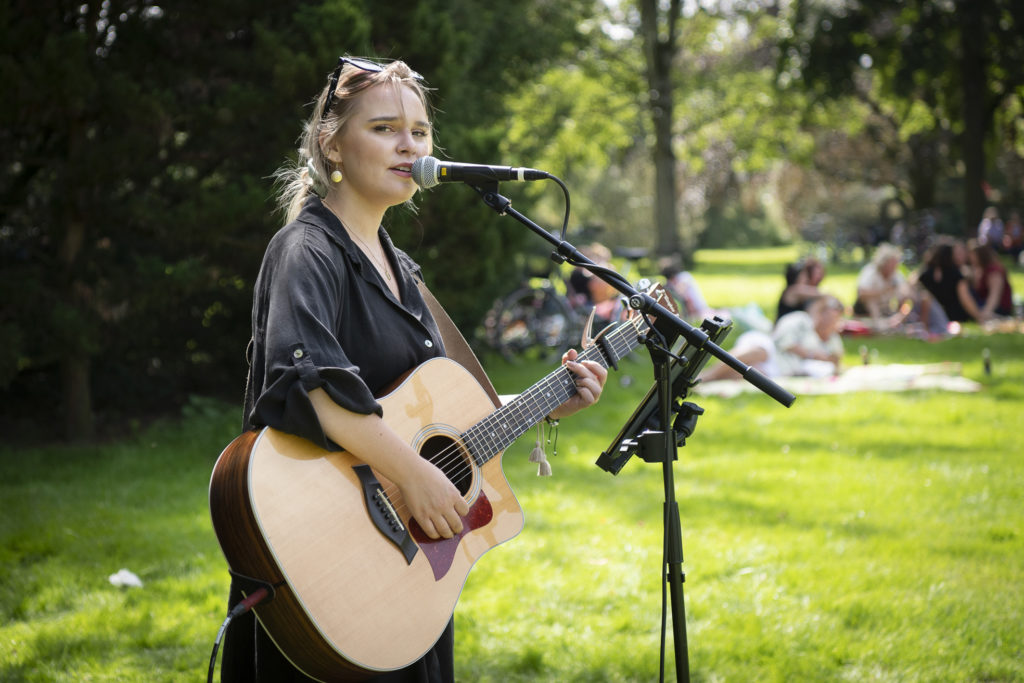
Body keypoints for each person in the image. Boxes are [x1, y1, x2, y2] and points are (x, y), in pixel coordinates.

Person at [221, 56, 607, 683]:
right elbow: (315, 391)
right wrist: (416, 476)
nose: (410, 145)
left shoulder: (402, 269)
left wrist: (552, 399)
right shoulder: (306, 251)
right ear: (331, 143)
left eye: (421, 132)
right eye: (384, 128)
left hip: (403, 573)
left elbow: (438, 416)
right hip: (327, 559)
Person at [701, 294, 846, 381]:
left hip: (782, 369)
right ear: (820, 312)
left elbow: (836, 360)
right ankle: (706, 376)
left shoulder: (832, 338)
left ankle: (703, 381)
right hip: (772, 351)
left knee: (749, 375)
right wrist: (811, 354)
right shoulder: (800, 320)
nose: (832, 321)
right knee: (759, 352)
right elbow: (782, 340)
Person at [913, 236, 985, 324]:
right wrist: (979, 316)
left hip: (931, 318)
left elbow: (913, 288)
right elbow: (966, 300)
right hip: (954, 316)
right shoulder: (956, 274)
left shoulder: (924, 272)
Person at [853, 243, 919, 329]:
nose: (894, 266)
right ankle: (878, 327)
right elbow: (861, 293)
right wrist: (884, 290)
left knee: (906, 300)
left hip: (886, 308)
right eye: (891, 263)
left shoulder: (896, 275)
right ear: (884, 262)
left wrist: (906, 296)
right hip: (865, 308)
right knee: (871, 300)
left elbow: (906, 292)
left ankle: (897, 322)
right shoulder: (871, 271)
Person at [968, 241, 1015, 319]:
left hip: (999, 308)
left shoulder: (993, 271)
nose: (970, 258)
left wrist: (986, 312)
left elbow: (995, 295)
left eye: (973, 255)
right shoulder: (979, 270)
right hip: (985, 304)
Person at [775, 256, 826, 322]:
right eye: (805, 276)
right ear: (797, 278)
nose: (807, 279)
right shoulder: (793, 290)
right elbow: (821, 294)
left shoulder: (798, 293)